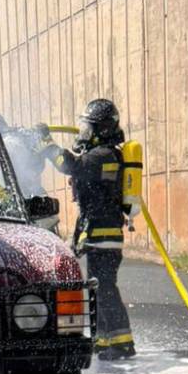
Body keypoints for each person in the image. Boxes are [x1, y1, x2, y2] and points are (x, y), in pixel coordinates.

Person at [39, 99, 135, 360]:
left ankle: (123, 342)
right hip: (98, 236)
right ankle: (104, 340)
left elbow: (70, 165)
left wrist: (47, 145)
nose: (84, 134)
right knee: (98, 288)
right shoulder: (101, 154)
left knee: (104, 288)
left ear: (102, 129)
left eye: (88, 129)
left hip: (105, 237)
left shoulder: (104, 155)